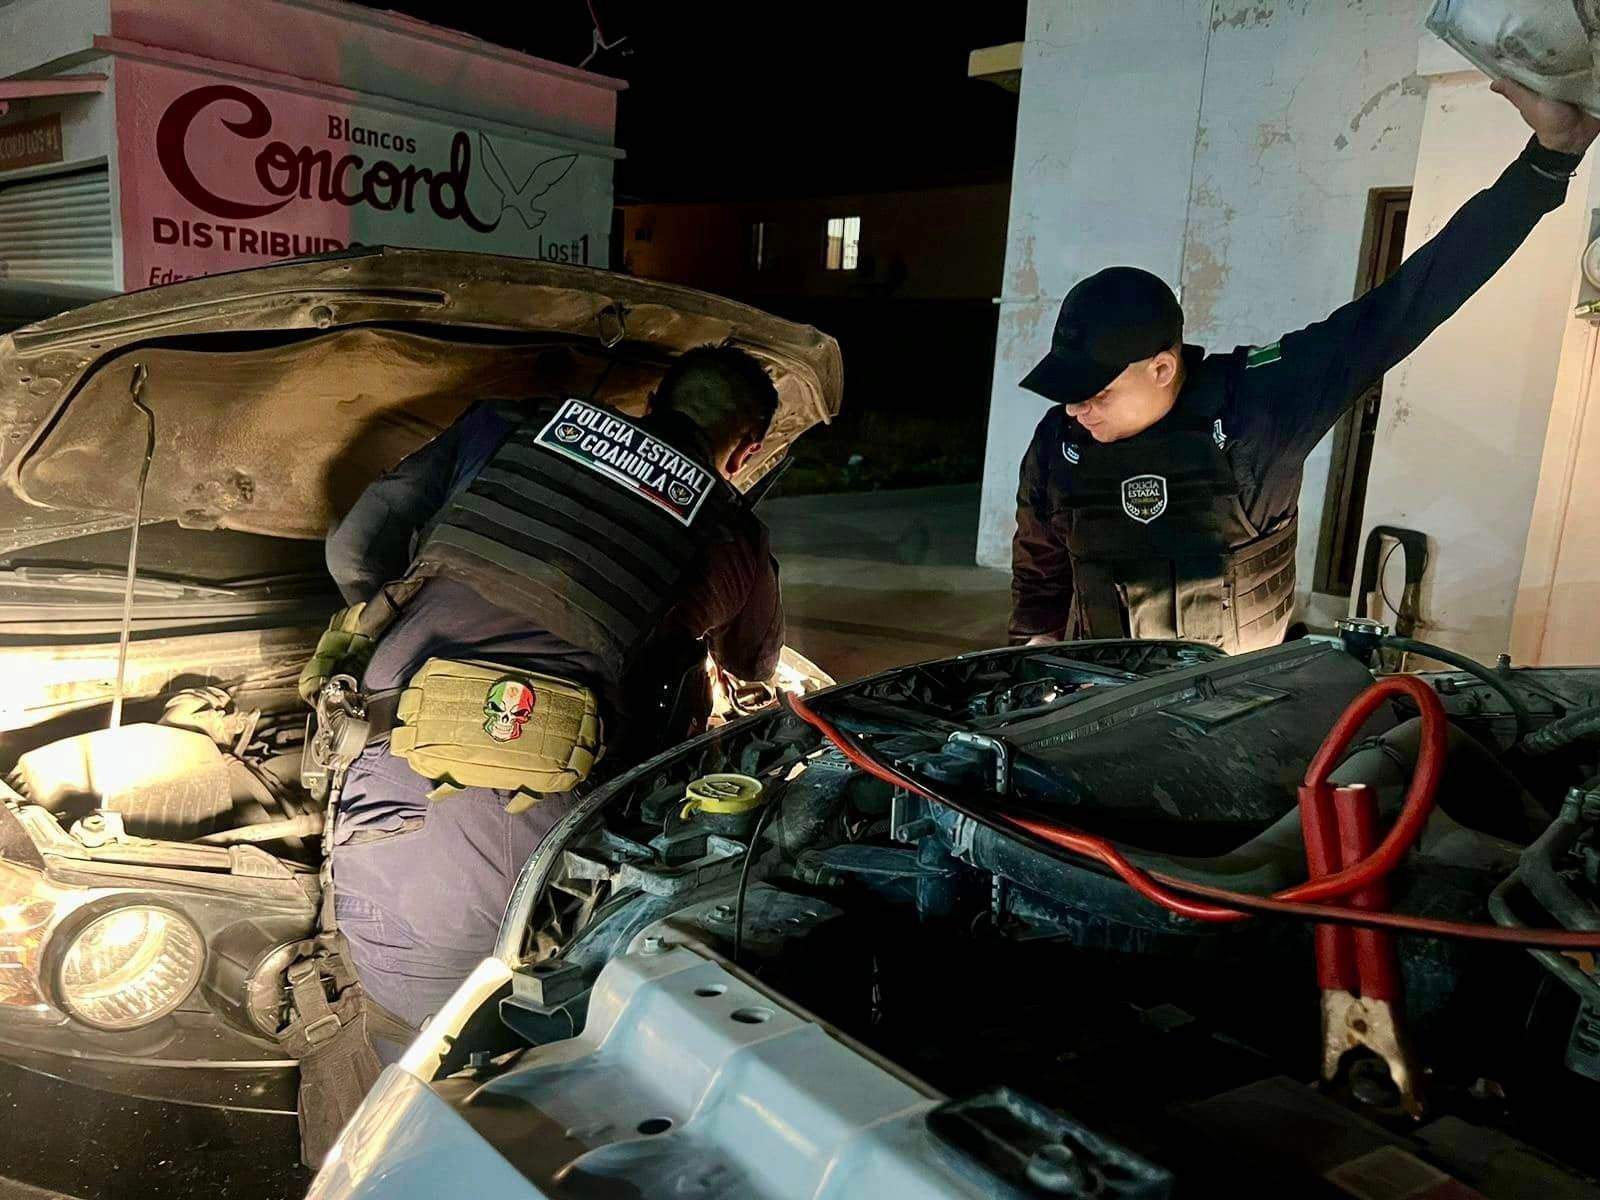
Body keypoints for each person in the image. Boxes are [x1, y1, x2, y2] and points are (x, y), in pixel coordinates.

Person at [1009, 80, 1600, 653]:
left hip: (1229, 707)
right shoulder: (1060, 443)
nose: (1076, 408)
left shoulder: (1258, 407)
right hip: (1099, 699)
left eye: (1097, 392)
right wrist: (1031, 651)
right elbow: (1040, 563)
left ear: (1162, 369)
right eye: (1068, 392)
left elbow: (1410, 303)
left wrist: (1548, 161)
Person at [304, 344, 784, 1042]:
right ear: (745, 452)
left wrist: (401, 623)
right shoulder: (732, 529)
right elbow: (753, 664)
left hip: (391, 758)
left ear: (653, 403)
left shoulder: (508, 426)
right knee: (494, 1042)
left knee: (410, 1023)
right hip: (531, 814)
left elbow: (352, 549)